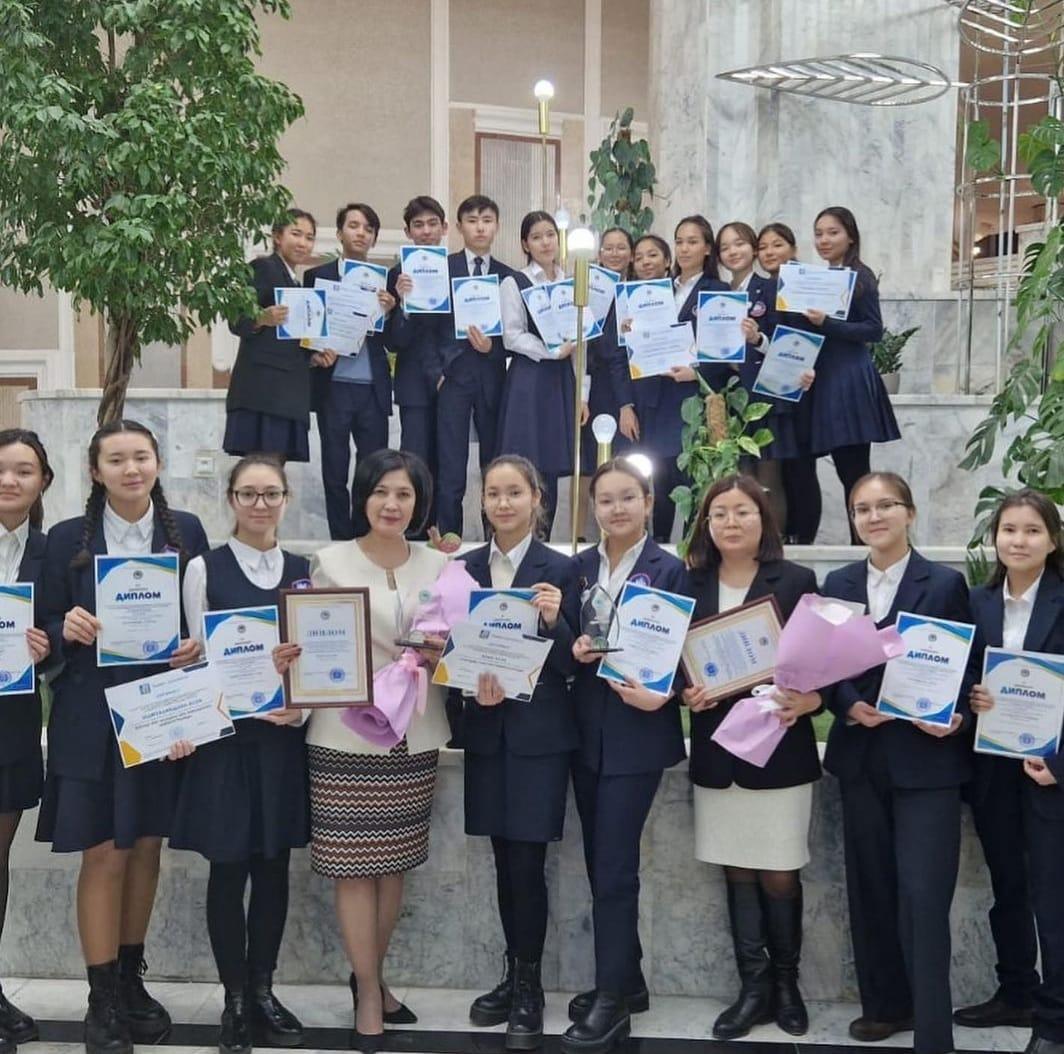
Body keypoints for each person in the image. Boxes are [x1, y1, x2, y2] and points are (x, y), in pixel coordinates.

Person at [36, 420, 208, 1054]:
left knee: (146, 847)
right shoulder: (65, 538)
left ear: (157, 463)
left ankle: (132, 979)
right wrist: (65, 627)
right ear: (95, 471)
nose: (131, 469)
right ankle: (101, 996)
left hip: (161, 709)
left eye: (141, 457)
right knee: (104, 851)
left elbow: (204, 617)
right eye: (116, 459)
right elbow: (41, 624)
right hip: (90, 713)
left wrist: (196, 645)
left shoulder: (186, 531)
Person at [272, 449, 448, 1050]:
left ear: (419, 502)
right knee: (352, 868)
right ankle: (369, 993)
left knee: (394, 865)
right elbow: (312, 643)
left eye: (404, 494)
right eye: (380, 492)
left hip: (413, 734)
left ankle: (372, 976)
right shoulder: (330, 562)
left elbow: (460, 646)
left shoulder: (442, 566)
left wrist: (444, 654)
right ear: (362, 497)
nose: (391, 504)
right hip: (344, 734)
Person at [821, 472, 974, 1054]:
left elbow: (966, 666)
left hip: (927, 762)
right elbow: (824, 665)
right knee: (871, 890)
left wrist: (956, 714)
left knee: (924, 896)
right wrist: (847, 703)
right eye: (862, 509)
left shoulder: (945, 583)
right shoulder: (838, 583)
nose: (874, 516)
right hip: (862, 758)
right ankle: (885, 1007)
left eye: (886, 505)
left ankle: (933, 1033)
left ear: (909, 513)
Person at [171, 455, 311, 1054]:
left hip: (279, 739)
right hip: (225, 744)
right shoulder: (204, 568)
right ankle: (233, 998)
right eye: (249, 493)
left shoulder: (303, 572)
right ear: (230, 499)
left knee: (274, 868)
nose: (260, 504)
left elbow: (315, 659)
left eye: (271, 493)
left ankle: (262, 990)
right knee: (228, 869)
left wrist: (300, 709)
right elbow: (196, 657)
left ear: (286, 500)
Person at [681, 475, 820, 1039]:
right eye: (719, 513)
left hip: (779, 752)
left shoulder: (797, 581)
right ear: (706, 524)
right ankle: (753, 989)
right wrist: (686, 692)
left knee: (780, 873)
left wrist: (814, 699)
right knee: (736, 871)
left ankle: (787, 985)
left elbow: (823, 663)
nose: (731, 522)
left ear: (764, 519)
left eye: (742, 511)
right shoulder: (689, 582)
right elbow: (673, 663)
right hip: (719, 751)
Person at [561, 458, 691, 1054]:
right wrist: (575, 646)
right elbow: (567, 641)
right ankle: (627, 979)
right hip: (586, 732)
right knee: (600, 862)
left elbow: (683, 653)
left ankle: (611, 1003)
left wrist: (664, 692)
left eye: (627, 498)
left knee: (615, 868)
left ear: (648, 502)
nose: (616, 509)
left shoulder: (671, 570)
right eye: (606, 500)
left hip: (638, 735)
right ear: (593, 509)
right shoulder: (579, 569)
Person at [462, 455, 579, 1049]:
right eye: (493, 493)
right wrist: (466, 684)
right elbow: (449, 652)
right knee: (501, 859)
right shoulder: (463, 570)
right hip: (486, 735)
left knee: (528, 864)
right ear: (482, 502)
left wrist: (555, 623)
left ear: (537, 498)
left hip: (539, 740)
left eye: (514, 492)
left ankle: (529, 986)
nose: (503, 503)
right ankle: (512, 975)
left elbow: (576, 663)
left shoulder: (564, 569)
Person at [956, 489, 1064, 1039]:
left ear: (1053, 540)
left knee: (1053, 896)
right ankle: (1016, 992)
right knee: (1008, 888)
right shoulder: (977, 603)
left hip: (1051, 774)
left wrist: (1060, 764)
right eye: (1009, 530)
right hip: (993, 771)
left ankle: (1055, 1020)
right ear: (994, 537)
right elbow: (962, 675)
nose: (1019, 541)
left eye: (1032, 530)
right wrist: (972, 698)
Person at [784, 208, 900, 543]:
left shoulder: (860, 276)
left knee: (854, 473)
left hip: (849, 382)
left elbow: (873, 330)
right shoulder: (821, 278)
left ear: (850, 236)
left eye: (832, 233)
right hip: (821, 381)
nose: (824, 240)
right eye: (818, 233)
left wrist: (827, 323)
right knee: (807, 465)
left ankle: (862, 546)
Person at [0, 429, 54, 1053]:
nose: (10, 480)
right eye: (1, 469)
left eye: (24, 471)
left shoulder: (50, 551)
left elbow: (64, 632)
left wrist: (48, 645)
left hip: (10, 725)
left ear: (42, 482)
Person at [622, 230, 726, 542]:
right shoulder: (656, 290)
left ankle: (696, 549)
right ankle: (659, 550)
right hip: (655, 401)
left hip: (693, 400)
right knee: (660, 483)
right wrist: (629, 331)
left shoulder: (718, 290)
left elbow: (728, 350)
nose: (684, 248)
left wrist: (697, 373)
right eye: (679, 241)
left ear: (707, 248)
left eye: (692, 242)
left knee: (695, 482)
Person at [304, 203, 396, 540]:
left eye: (368, 229)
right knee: (334, 468)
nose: (361, 233)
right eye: (354, 226)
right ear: (340, 233)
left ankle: (366, 537)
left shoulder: (386, 282)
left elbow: (394, 340)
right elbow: (308, 327)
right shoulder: (318, 276)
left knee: (373, 472)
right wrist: (315, 355)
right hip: (334, 386)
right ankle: (341, 540)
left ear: (374, 238)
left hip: (372, 388)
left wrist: (391, 311)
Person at [429, 195, 514, 539]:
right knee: (451, 466)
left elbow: (516, 331)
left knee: (494, 466)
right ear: (459, 226)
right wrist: (437, 371)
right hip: (451, 378)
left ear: (497, 226)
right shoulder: (443, 269)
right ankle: (451, 541)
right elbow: (428, 327)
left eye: (487, 220)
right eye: (473, 220)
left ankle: (497, 540)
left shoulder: (508, 276)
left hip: (493, 377)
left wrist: (493, 347)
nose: (480, 227)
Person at [498, 211, 582, 537]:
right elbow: (511, 336)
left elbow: (582, 336)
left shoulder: (572, 283)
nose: (545, 242)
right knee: (526, 463)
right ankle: (519, 538)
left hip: (561, 380)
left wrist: (582, 392)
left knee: (552, 464)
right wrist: (551, 351)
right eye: (536, 237)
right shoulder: (515, 282)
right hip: (529, 379)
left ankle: (543, 541)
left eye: (550, 235)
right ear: (525, 244)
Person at [225, 209, 318, 463]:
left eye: (309, 237)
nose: (303, 243)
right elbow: (236, 319)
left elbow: (290, 339)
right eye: (296, 234)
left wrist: (313, 355)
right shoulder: (263, 267)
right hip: (263, 392)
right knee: (261, 466)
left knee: (275, 466)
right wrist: (261, 318)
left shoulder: (296, 283)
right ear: (277, 236)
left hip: (288, 392)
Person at [715, 222, 789, 531]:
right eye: (725, 247)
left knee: (768, 475)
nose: (733, 251)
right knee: (740, 478)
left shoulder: (770, 288)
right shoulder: (717, 294)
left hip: (763, 394)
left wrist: (758, 339)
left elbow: (786, 344)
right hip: (729, 394)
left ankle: (774, 543)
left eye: (740, 244)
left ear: (753, 248)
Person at [387, 196, 449, 536]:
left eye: (432, 224)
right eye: (418, 225)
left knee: (448, 461)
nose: (426, 231)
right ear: (408, 232)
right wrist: (403, 304)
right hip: (413, 385)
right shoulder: (396, 275)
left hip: (451, 381)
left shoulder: (456, 270)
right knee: (413, 460)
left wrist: (443, 371)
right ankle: (411, 533)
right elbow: (393, 341)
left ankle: (443, 532)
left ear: (444, 228)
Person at [756, 222, 818, 544]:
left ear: (793, 249)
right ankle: (790, 534)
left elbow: (820, 333)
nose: (769, 252)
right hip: (775, 388)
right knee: (785, 468)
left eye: (777, 245)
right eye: (763, 247)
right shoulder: (764, 289)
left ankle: (804, 539)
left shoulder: (808, 284)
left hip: (805, 386)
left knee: (802, 468)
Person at [578, 228, 636, 538]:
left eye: (621, 247)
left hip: (631, 390)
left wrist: (628, 403)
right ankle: (579, 535)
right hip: (596, 388)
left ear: (631, 253)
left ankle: (627, 532)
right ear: (599, 254)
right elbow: (584, 348)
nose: (614, 254)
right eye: (608, 248)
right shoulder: (588, 290)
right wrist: (583, 395)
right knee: (589, 464)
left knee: (628, 464)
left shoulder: (640, 292)